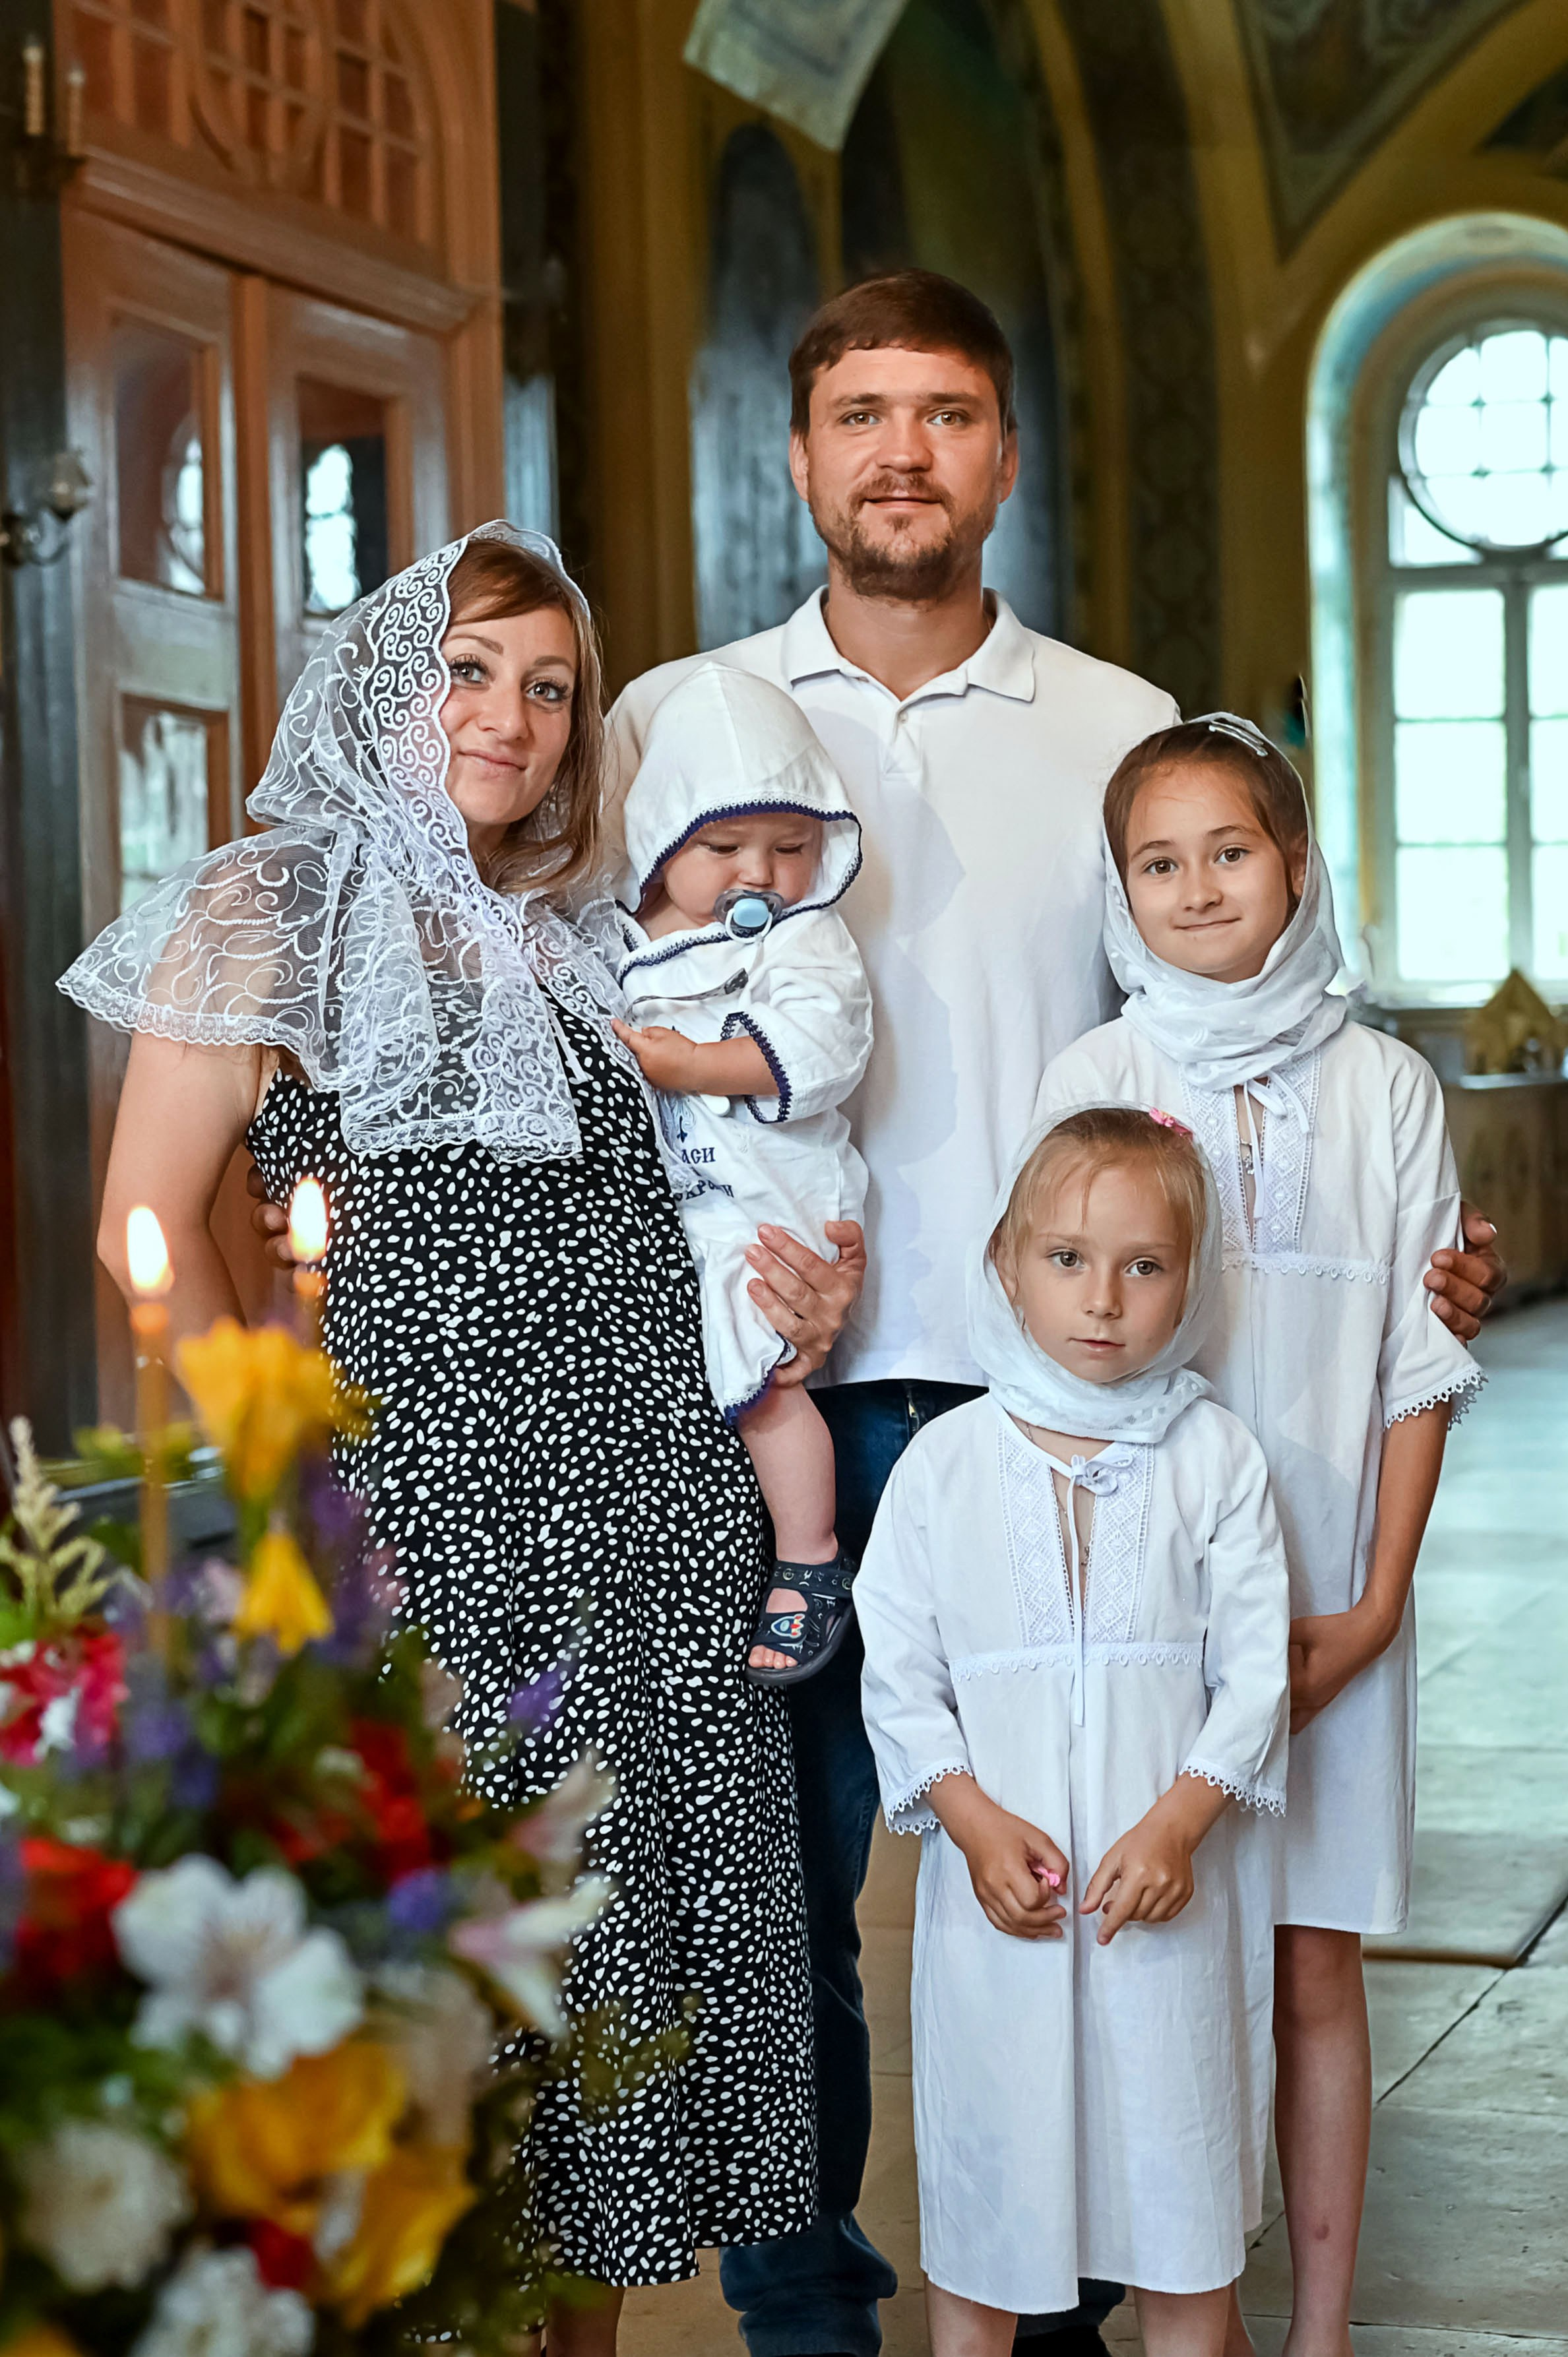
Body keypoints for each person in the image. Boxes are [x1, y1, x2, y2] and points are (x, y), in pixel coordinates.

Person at [604, 270, 1505, 2357]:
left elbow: (1222, 1061)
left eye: (943, 413)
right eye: (857, 414)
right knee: (781, 1896)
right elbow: (610, 1027)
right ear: (800, 449)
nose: (898, 451)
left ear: (1002, 455)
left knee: (1101, 1887)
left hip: (1082, 1397)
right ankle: (812, 2308)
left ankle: (1080, 2294)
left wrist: (1412, 1257)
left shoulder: (1115, 720)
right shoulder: (683, 714)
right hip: (782, 1395)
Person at [59, 523, 818, 2356]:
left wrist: (778, 1279)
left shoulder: (563, 943)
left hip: (645, 1523)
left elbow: (648, 1221)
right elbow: (141, 1230)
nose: (512, 715)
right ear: (381, 679)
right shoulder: (258, 908)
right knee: (444, 2059)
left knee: (606, 2069)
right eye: (469, 668)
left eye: (549, 686)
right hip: (424, 1539)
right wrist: (295, 1478)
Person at [1034, 716, 1484, 2356]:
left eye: (1232, 849)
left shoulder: (1384, 1087)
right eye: (1160, 861)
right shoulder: (1102, 1079)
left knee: (1310, 1965)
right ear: (1119, 889)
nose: (1200, 885)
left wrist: (1369, 1609)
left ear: (1296, 863)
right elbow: (1049, 1347)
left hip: (1331, 1599)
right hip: (1157, 1610)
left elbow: (1418, 1366)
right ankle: (1185, 2308)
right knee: (1161, 1972)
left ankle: (1323, 2327)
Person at [856, 1105, 1291, 2357]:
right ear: (1005, 1262)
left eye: (1142, 1266)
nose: (1102, 1299)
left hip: (1170, 1908)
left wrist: (1181, 1818)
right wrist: (969, 1815)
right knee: (989, 2219)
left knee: (1182, 2214)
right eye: (1066, 1259)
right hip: (1000, 1911)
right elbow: (900, 1671)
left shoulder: (1214, 1456)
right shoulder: (943, 1464)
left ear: (1189, 1282)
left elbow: (1254, 1673)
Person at [609, 664, 873, 1684]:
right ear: (662, 843)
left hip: (773, 1206)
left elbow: (814, 1049)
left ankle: (809, 1557)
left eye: (791, 847)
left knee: (764, 1388)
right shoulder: (636, 946)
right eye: (722, 848)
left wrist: (684, 1062)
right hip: (695, 1202)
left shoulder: (809, 943)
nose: (758, 872)